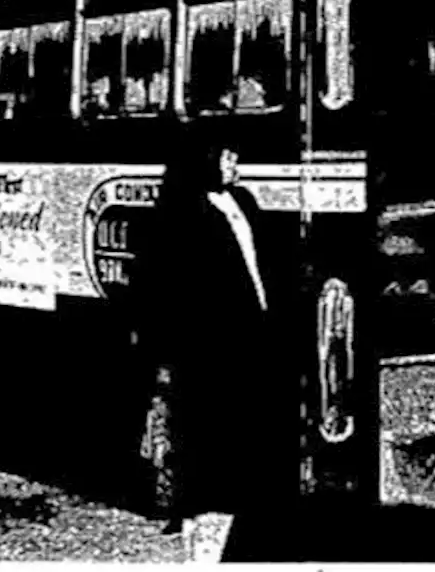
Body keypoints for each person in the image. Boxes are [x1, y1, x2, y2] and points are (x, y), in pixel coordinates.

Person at [139, 136, 292, 558]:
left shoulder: (242, 201)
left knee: (241, 460)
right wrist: (167, 358)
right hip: (206, 355)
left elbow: (264, 264)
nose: (234, 163)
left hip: (251, 345)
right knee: (208, 466)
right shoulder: (178, 214)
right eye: (225, 156)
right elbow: (161, 292)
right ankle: (201, 554)